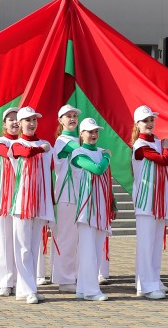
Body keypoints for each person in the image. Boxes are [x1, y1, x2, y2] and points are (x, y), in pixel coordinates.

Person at [10, 106, 55, 304]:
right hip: (21, 202)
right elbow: (25, 152)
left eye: (34, 120)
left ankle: (26, 288)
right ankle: (28, 289)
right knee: (23, 247)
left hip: (40, 202)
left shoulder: (46, 143)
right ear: (19, 124)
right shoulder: (15, 144)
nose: (32, 123)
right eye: (27, 120)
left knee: (34, 246)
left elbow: (50, 169)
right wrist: (40, 149)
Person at [131, 105, 168, 299]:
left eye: (151, 120)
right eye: (145, 121)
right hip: (146, 201)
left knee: (156, 243)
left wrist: (164, 146)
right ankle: (146, 286)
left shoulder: (156, 141)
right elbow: (164, 159)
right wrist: (166, 146)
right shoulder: (140, 146)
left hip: (158, 200)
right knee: (147, 244)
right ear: (137, 124)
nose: (149, 124)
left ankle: (153, 280)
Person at [71, 117, 115, 302]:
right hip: (86, 209)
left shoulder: (99, 151)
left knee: (95, 250)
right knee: (88, 251)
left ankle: (83, 288)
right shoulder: (78, 153)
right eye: (89, 131)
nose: (94, 135)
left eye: (96, 131)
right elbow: (97, 169)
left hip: (100, 208)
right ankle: (91, 291)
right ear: (81, 134)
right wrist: (106, 157)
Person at [51, 104, 82, 293]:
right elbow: (84, 147)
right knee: (66, 238)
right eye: (67, 116)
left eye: (74, 116)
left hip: (80, 194)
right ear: (60, 121)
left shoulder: (79, 139)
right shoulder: (63, 141)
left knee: (78, 238)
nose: (72, 119)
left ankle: (75, 275)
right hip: (66, 195)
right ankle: (64, 279)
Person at [0, 107, 19, 297]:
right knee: (3, 240)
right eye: (11, 120)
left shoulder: (28, 143)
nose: (15, 122)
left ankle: (20, 281)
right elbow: (8, 153)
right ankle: (4, 282)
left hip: (23, 198)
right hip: (3, 197)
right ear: (4, 124)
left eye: (18, 119)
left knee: (20, 240)